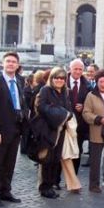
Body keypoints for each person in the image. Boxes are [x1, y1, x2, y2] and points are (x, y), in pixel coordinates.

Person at [0, 52, 26, 206]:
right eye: (8, 61)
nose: (11, 64)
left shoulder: (20, 81)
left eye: (14, 62)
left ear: (17, 65)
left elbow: (22, 102)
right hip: (0, 130)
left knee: (9, 163)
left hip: (15, 128)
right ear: (3, 64)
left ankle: (5, 190)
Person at [36, 67, 81, 198]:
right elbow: (41, 107)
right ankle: (45, 187)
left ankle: (50, 185)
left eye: (62, 78)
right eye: (57, 78)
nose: (59, 80)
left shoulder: (64, 92)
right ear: (52, 78)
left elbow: (68, 109)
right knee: (47, 159)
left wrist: (67, 115)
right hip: (48, 129)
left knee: (55, 159)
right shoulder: (45, 90)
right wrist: (60, 115)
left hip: (61, 131)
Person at [67, 59, 92, 172]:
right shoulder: (61, 81)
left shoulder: (88, 86)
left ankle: (73, 177)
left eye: (80, 69)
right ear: (70, 69)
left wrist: (84, 107)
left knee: (77, 150)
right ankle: (56, 180)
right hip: (64, 122)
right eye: (75, 69)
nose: (77, 72)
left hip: (79, 124)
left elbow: (91, 104)